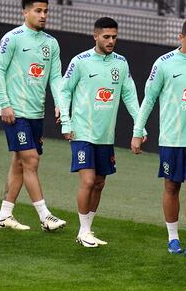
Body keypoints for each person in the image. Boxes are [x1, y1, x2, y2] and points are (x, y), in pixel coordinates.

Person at [131, 18, 186, 258]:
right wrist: (138, 132)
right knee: (171, 186)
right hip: (171, 137)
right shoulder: (164, 63)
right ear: (180, 37)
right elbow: (149, 99)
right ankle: (173, 238)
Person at [59, 17, 141, 248]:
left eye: (114, 37)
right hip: (82, 131)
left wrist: (139, 125)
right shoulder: (80, 61)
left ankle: (88, 229)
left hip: (106, 135)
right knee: (88, 180)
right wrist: (66, 122)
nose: (111, 41)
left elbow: (130, 96)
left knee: (99, 183)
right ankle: (83, 231)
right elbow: (64, 92)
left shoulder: (121, 63)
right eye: (106, 37)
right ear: (95, 36)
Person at [0, 0, 66, 232]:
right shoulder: (12, 38)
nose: (43, 15)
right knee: (31, 160)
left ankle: (4, 216)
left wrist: (60, 104)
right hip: (16, 111)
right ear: (25, 12)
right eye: (38, 11)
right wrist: (5, 103)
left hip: (36, 113)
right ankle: (45, 216)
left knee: (20, 162)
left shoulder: (51, 43)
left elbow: (55, 77)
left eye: (46, 11)